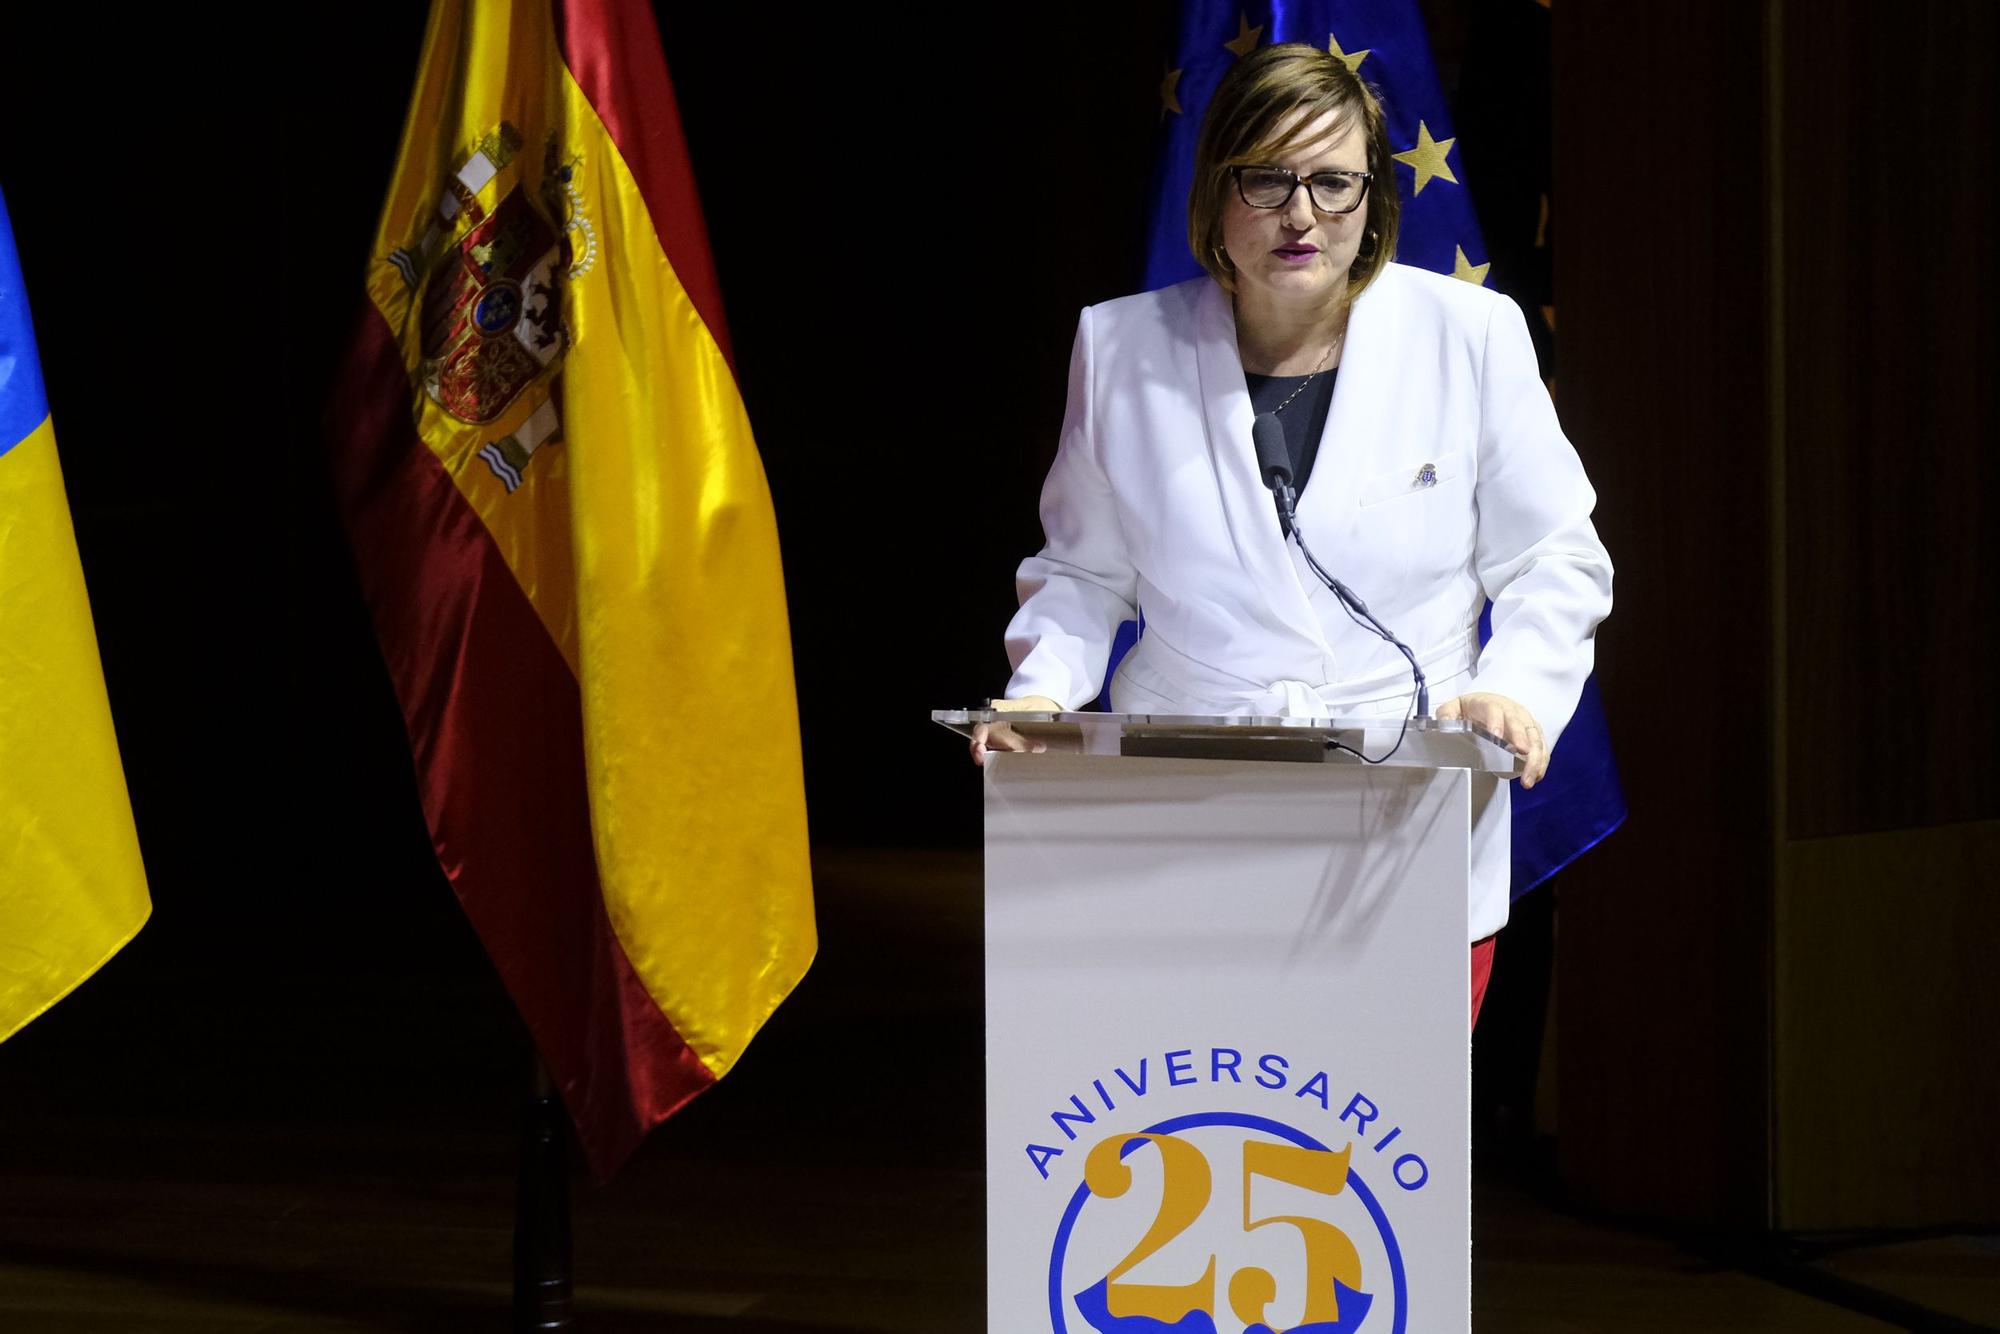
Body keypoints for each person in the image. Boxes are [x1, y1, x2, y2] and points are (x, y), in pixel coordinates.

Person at [969, 43, 1612, 1022]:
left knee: (1371, 1163)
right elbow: (1083, 571)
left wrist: (1511, 689)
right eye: (1265, 180)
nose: (1300, 213)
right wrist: (1044, 690)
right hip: (1184, 831)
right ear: (1215, 193)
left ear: (1372, 201)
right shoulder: (1119, 348)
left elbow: (1553, 555)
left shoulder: (1469, 337)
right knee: (1198, 1133)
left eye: (1332, 182)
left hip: (1405, 818)